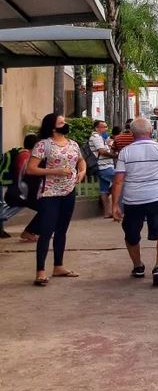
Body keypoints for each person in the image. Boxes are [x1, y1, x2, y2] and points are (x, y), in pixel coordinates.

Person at [111, 117, 158, 287]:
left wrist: (115, 205)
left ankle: (138, 266)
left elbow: (118, 181)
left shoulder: (125, 152)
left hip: (133, 200)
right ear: (150, 132)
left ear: (132, 133)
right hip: (157, 197)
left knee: (131, 234)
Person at [26, 113, 86, 286]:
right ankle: (40, 271)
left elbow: (81, 161)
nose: (65, 124)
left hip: (68, 192)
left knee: (62, 230)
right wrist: (55, 172)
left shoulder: (73, 144)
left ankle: (58, 266)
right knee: (46, 231)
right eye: (61, 122)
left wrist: (81, 172)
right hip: (49, 193)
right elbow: (31, 169)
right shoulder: (43, 145)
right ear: (52, 127)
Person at [15, 134, 41, 242]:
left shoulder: (25, 155)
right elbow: (27, 176)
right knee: (48, 208)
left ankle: (33, 231)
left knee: (49, 207)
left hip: (25, 192)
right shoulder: (26, 156)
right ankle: (29, 232)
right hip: (22, 194)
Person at [89, 120, 116, 219]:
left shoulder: (101, 137)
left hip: (104, 165)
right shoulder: (96, 137)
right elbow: (102, 151)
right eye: (103, 127)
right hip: (104, 166)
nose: (106, 129)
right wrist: (114, 155)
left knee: (104, 190)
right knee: (120, 182)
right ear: (97, 128)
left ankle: (107, 212)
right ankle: (115, 210)